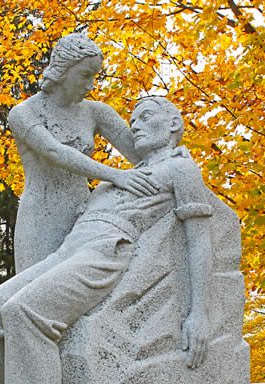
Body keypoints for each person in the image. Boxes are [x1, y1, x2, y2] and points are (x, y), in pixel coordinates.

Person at [0, 97, 214, 384]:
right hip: (66, 251)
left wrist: (198, 313)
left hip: (106, 252)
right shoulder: (118, 176)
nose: (135, 124)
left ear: (174, 124)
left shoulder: (181, 170)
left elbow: (199, 238)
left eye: (146, 117)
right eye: (132, 119)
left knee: (25, 312)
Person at [8, 33, 158, 272]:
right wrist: (118, 175)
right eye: (84, 75)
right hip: (41, 217)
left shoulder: (95, 112)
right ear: (63, 70)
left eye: (94, 77)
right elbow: (54, 151)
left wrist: (171, 154)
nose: (90, 85)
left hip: (84, 214)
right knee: (35, 292)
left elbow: (141, 153)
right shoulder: (25, 113)